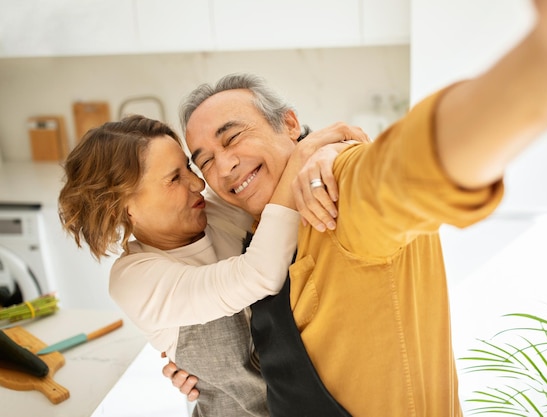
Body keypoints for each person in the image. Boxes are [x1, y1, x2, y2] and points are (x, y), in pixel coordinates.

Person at [167, 1, 547, 415]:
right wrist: (210, 373)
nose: (223, 166)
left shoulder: (334, 188)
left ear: (289, 124)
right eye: (204, 160)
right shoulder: (252, 237)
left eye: (233, 137)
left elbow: (414, 166)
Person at [57, 115, 367, 417]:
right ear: (124, 207)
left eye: (188, 167)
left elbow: (285, 180)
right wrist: (305, 154)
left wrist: (327, 152)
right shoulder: (133, 279)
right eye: (174, 178)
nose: (197, 183)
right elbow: (258, 275)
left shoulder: (216, 212)